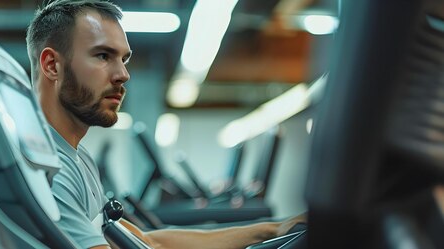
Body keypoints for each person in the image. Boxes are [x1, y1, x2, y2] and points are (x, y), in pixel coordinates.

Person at [26, 1, 305, 248]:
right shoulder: (50, 173)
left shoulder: (77, 158)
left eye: (124, 60)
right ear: (52, 65)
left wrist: (272, 229)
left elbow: (150, 241)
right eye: (103, 56)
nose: (123, 74)